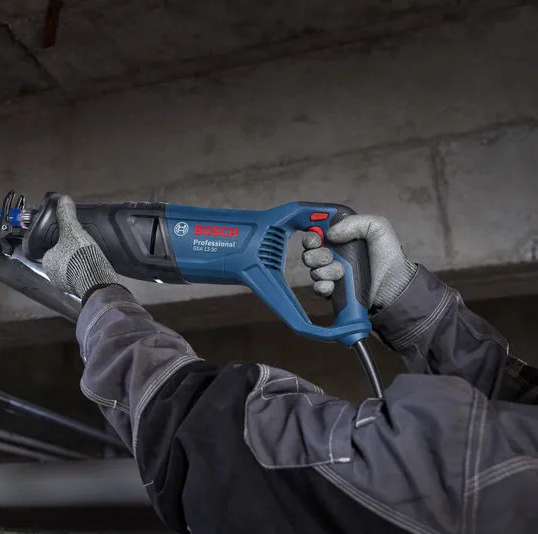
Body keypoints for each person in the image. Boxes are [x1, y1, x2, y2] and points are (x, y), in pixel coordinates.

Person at [40, 195, 538, 534]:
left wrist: (99, 295)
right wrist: (406, 297)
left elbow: (217, 447)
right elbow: (508, 405)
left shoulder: (490, 486)